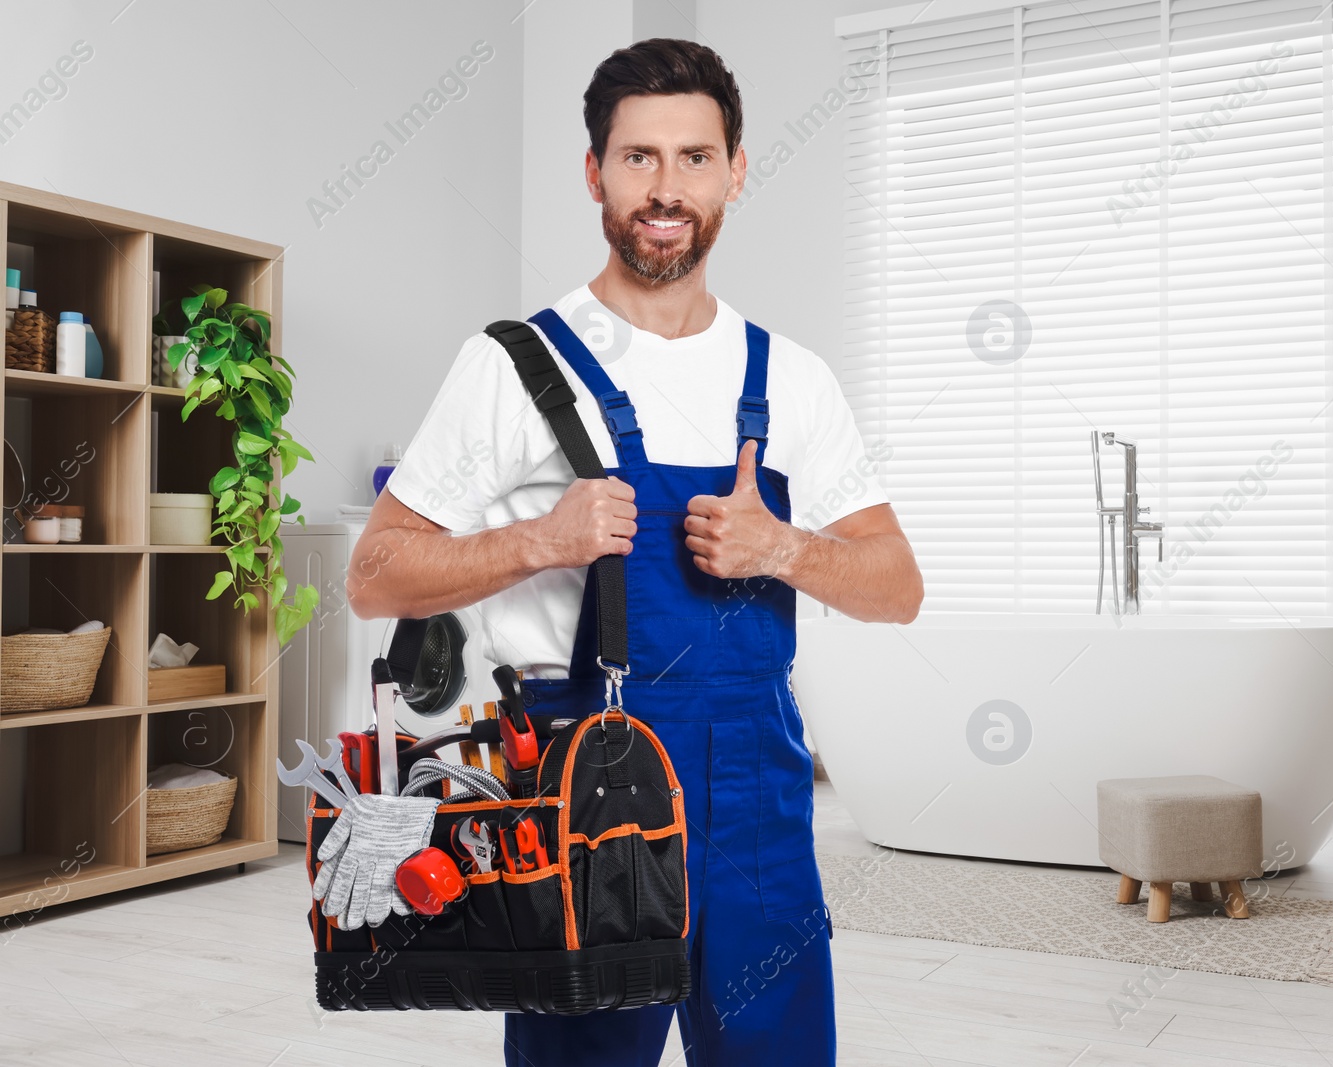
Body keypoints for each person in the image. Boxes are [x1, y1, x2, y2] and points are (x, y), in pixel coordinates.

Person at [348, 36, 922, 1067]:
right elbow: (375, 573)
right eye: (638, 157)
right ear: (594, 174)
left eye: (695, 157)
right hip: (582, 800)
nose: (667, 188)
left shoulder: (793, 378)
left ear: (737, 172)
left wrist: (783, 546)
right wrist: (541, 538)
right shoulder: (513, 364)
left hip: (757, 804)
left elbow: (896, 587)